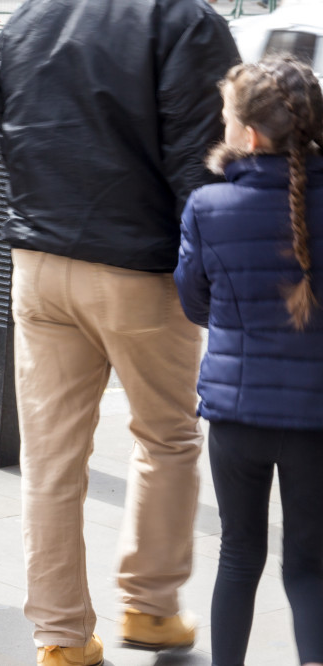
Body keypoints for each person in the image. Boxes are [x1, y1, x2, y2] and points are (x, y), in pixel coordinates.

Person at [0, 0, 240, 663]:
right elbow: (205, 162)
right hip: (141, 269)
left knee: (50, 463)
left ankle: (62, 639)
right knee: (168, 436)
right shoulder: (184, 19)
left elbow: (5, 136)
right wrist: (216, 278)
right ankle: (152, 607)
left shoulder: (26, 18)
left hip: (38, 264)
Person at [174, 55, 323, 666]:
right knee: (311, 565)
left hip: (237, 417)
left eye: (228, 117)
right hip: (316, 421)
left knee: (239, 557)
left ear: (251, 135)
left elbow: (194, 302)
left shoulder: (209, 207)